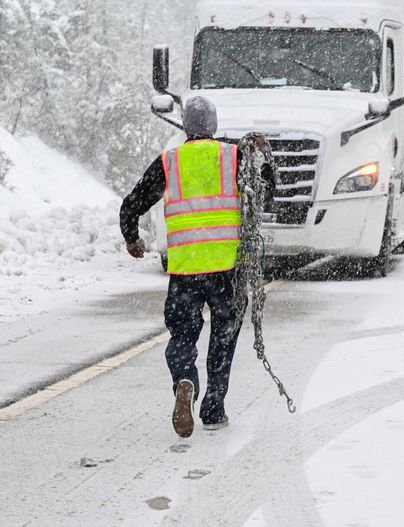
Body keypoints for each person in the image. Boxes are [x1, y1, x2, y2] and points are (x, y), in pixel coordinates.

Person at [119, 96, 274, 438]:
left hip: (185, 271)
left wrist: (132, 238)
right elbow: (267, 194)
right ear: (214, 127)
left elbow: (132, 204)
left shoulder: (170, 162)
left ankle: (184, 380)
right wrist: (263, 156)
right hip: (228, 269)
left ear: (186, 127)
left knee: (183, 335)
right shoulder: (234, 157)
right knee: (223, 338)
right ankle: (214, 410)